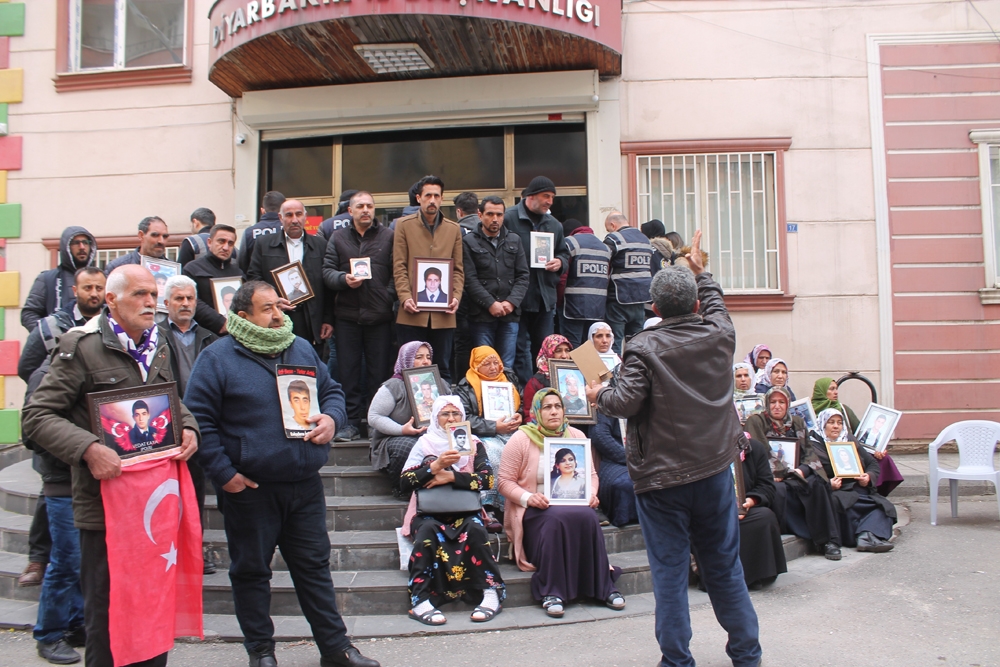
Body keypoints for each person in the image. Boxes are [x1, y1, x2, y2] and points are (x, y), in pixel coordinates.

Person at [585, 232, 762, 667]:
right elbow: (716, 300)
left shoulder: (642, 346)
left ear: (654, 309)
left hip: (661, 480)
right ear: (696, 305)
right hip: (715, 471)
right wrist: (700, 270)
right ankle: (746, 654)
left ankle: (677, 660)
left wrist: (597, 394)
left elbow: (623, 402)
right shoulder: (719, 331)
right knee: (724, 568)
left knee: (669, 574)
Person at [183, 281, 378, 667]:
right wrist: (224, 474)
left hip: (303, 484)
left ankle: (335, 649)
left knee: (314, 569)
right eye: (267, 308)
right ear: (243, 317)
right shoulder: (218, 358)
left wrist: (332, 420)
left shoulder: (300, 347)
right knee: (252, 572)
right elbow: (197, 420)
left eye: (279, 307)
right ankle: (261, 653)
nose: (278, 315)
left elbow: (333, 391)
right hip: (249, 489)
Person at [22, 264, 201, 667]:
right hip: (104, 511)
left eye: (153, 295)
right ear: (111, 300)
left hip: (152, 508)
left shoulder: (158, 342)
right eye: (140, 295)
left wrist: (188, 427)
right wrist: (87, 448)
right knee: (109, 622)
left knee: (153, 611)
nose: (151, 303)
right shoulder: (80, 346)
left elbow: (170, 400)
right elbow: (36, 416)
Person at [16, 266, 106, 591]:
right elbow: (28, 368)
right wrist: (53, 392)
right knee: (50, 497)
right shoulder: (52, 326)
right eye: (88, 288)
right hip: (58, 435)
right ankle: (38, 558)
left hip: (93, 430)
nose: (93, 294)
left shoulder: (108, 326)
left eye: (99, 288)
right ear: (75, 291)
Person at [498, 388, 625, 617]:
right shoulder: (521, 439)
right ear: (536, 411)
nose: (554, 412)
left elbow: (592, 475)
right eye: (547, 407)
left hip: (573, 505)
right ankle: (552, 591)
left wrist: (592, 494)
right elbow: (504, 482)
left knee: (589, 516)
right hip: (537, 510)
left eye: (558, 406)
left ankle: (603, 586)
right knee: (556, 519)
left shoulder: (575, 436)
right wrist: (529, 498)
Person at [398, 396, 506, 625]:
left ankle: (489, 594)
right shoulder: (424, 444)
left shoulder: (474, 443)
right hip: (428, 512)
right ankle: (421, 601)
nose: (451, 419)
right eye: (445, 414)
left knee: (475, 530)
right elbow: (405, 482)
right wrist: (434, 467)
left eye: (455, 414)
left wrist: (451, 476)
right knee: (427, 533)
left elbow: (487, 480)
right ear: (436, 418)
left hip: (465, 511)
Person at [156, 274, 219, 575]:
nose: (185, 304)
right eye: (178, 299)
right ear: (166, 303)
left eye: (189, 298)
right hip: (164, 425)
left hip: (202, 423)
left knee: (195, 491)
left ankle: (195, 550)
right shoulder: (152, 337)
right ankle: (166, 551)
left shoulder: (211, 337)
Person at [322, 190, 396, 442]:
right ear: (350, 211)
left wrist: (387, 296)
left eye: (370, 206)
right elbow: (327, 272)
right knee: (348, 373)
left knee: (379, 374)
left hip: (380, 317)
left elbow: (399, 272)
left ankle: (376, 423)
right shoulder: (338, 237)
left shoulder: (388, 236)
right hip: (347, 317)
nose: (366, 210)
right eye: (360, 206)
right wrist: (343, 279)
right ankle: (350, 423)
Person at [746, 386, 843, 561]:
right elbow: (762, 450)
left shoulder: (797, 422)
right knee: (779, 489)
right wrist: (783, 472)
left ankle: (829, 541)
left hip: (797, 474)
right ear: (767, 404)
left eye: (781, 402)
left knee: (818, 483)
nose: (777, 406)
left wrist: (802, 470)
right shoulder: (757, 421)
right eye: (773, 402)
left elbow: (810, 452)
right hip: (772, 475)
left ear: (787, 404)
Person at [393, 175, 464, 381]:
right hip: (411, 311)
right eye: (428, 195)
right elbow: (398, 266)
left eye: (436, 196)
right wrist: (405, 297)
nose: (432, 200)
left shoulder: (453, 228)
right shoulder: (403, 225)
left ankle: (444, 411)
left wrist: (456, 297)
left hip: (444, 313)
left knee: (442, 367)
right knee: (411, 369)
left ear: (442, 199)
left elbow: (458, 270)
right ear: (418, 198)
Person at [503, 176, 569, 383]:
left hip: (544, 297)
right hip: (518, 298)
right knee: (520, 349)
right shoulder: (508, 218)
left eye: (552, 197)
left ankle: (546, 387)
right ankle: (526, 391)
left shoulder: (554, 225)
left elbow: (564, 253)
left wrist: (560, 261)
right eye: (546, 196)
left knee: (545, 346)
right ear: (530, 196)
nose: (550, 201)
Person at [248, 199, 333, 354]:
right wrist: (273, 301)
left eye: (298, 214)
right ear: (280, 218)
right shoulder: (264, 243)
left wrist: (327, 319)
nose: (294, 220)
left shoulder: (320, 244)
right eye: (289, 215)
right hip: (277, 315)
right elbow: (254, 278)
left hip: (312, 319)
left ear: (305, 217)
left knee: (309, 362)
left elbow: (327, 284)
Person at [368, 342, 450, 496]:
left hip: (434, 435)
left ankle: (441, 489)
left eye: (428, 357)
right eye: (418, 357)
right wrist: (402, 429)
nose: (425, 361)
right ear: (406, 359)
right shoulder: (393, 386)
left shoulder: (440, 384)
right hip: (395, 438)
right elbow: (374, 416)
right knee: (410, 446)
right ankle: (404, 489)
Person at [810, 410, 896, 553]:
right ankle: (867, 535)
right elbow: (811, 472)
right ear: (822, 424)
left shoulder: (849, 440)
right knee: (844, 506)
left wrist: (868, 477)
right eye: (831, 422)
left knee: (884, 507)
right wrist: (829, 484)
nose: (836, 426)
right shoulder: (814, 445)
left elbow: (872, 464)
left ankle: (866, 536)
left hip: (858, 489)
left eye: (839, 423)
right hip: (837, 492)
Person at [462, 196, 530, 371]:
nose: (495, 219)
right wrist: (490, 303)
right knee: (485, 365)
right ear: (479, 214)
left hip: (510, 314)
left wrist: (511, 302)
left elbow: (523, 275)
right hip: (481, 314)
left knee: (506, 366)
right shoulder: (468, 242)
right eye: (490, 214)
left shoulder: (514, 240)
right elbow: (469, 279)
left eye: (499, 215)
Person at [453, 347, 523, 513]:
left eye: (496, 363)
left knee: (523, 449)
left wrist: (519, 415)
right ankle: (492, 504)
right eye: (487, 364)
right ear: (476, 366)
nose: (493, 368)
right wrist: (494, 427)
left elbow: (522, 404)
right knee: (493, 452)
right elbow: (465, 418)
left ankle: (518, 499)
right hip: (483, 434)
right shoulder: (466, 386)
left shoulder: (508, 378)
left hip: (510, 430)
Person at [21, 225, 97, 332]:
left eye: (85, 242)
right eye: (76, 243)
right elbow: (28, 314)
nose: (82, 247)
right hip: (58, 345)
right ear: (66, 247)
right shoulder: (47, 279)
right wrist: (49, 336)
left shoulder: (99, 280)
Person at [735, 437, 787, 589]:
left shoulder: (754, 448)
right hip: (711, 512)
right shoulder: (704, 448)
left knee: (765, 517)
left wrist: (750, 501)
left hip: (745, 509)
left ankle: (756, 574)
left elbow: (766, 485)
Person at [602, 212, 654, 355]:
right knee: (636, 344)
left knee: (614, 343)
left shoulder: (614, 238)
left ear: (613, 225)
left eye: (608, 228)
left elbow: (603, 263)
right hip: (641, 299)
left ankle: (616, 376)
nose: (609, 232)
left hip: (618, 300)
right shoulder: (645, 240)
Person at [183, 224, 242, 335]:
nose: (225, 247)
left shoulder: (238, 273)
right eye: (221, 241)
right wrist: (219, 322)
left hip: (235, 333)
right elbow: (192, 300)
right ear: (209, 242)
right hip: (202, 334)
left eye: (230, 243)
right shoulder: (192, 269)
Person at [560, 224, 611, 348]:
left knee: (573, 343)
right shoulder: (605, 248)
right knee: (592, 343)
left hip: (573, 306)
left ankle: (574, 368)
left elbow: (562, 277)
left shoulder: (570, 242)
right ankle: (590, 367)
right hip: (598, 307)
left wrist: (558, 301)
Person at [590, 413, 638, 527]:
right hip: (615, 460)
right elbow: (600, 435)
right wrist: (630, 458)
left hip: (649, 460)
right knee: (625, 485)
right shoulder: (607, 403)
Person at [239, 191, 285, 276]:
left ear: (262, 210)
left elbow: (242, 263)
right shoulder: (289, 231)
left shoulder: (249, 232)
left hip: (258, 284)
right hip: (285, 283)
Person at [521, 333, 571, 411]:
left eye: (567, 351)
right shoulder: (535, 383)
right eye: (558, 351)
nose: (564, 356)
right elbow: (529, 414)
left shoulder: (577, 377)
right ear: (547, 352)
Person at [104, 216, 170, 273]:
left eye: (165, 236)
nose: (161, 241)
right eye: (155, 235)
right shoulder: (118, 267)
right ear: (141, 235)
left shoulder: (172, 270)